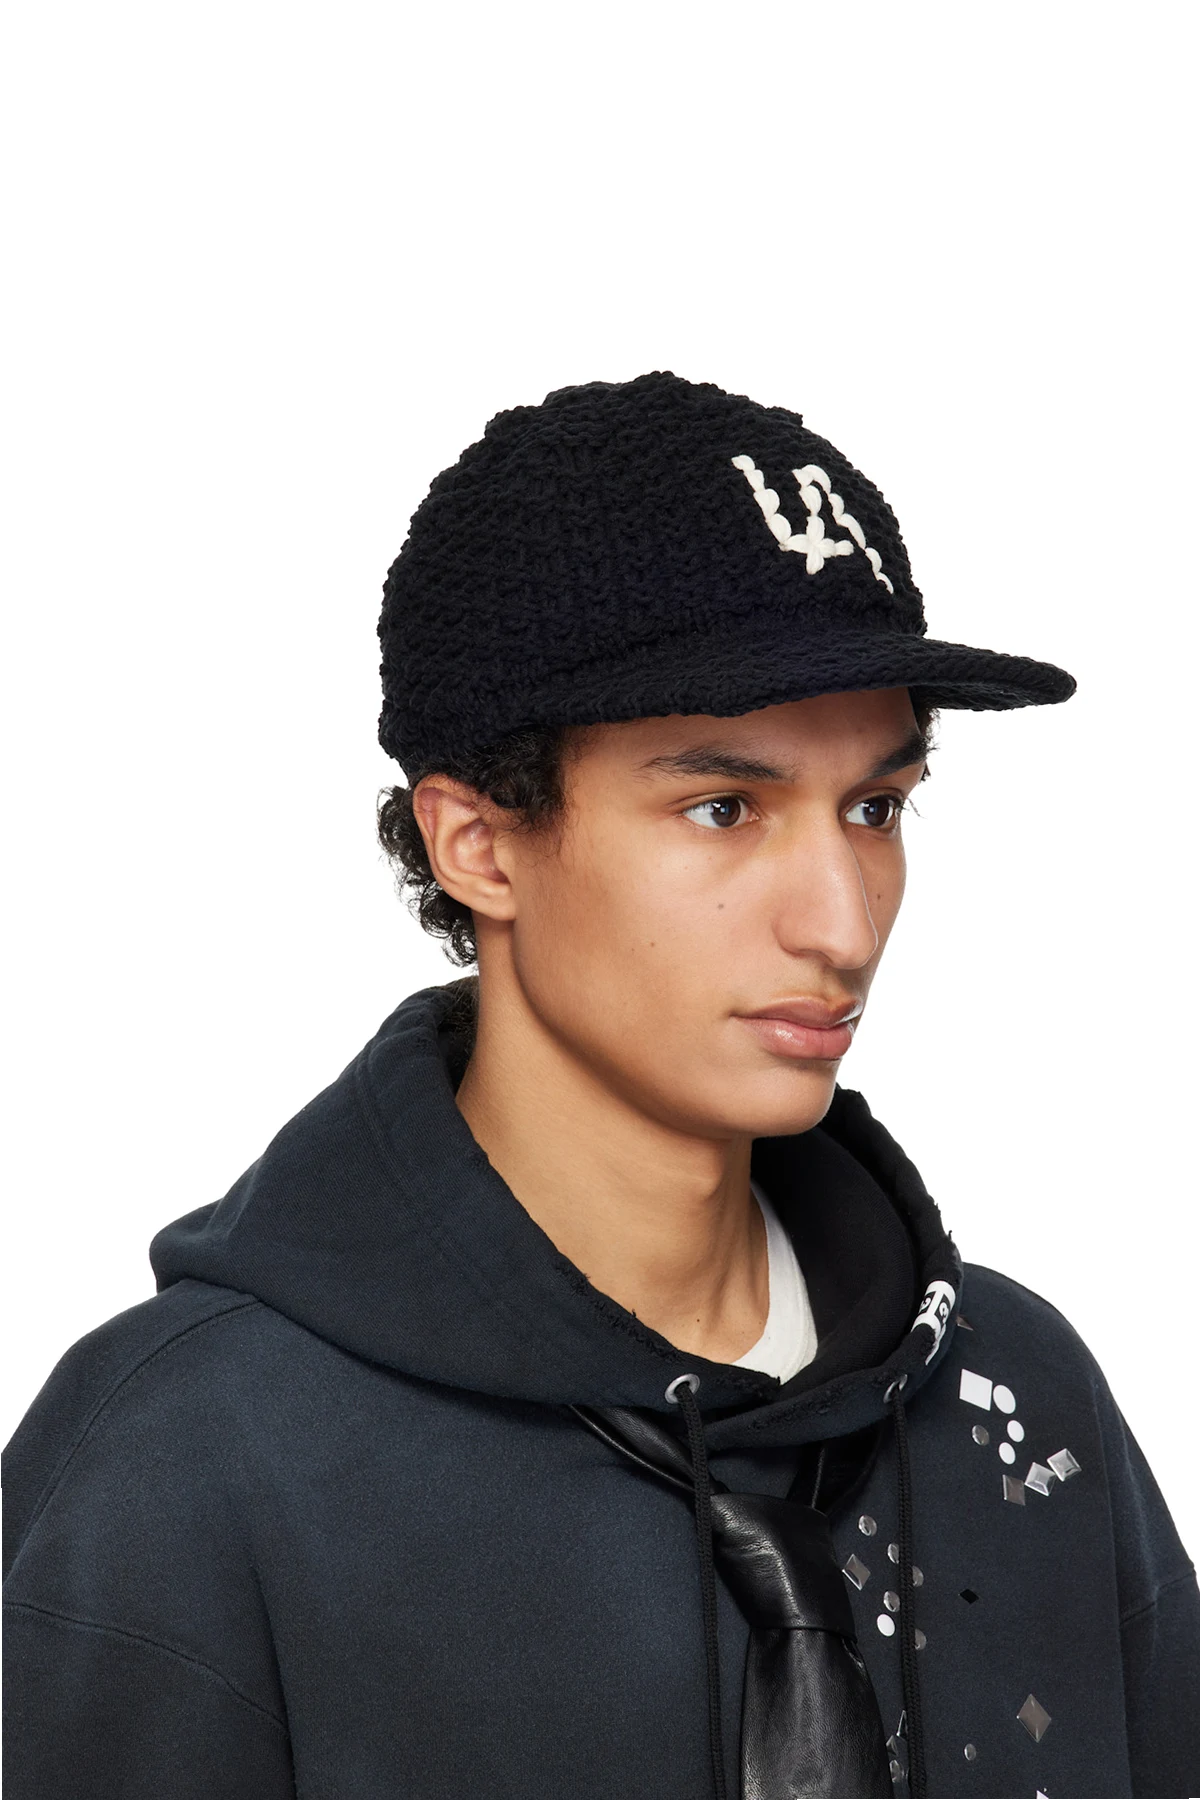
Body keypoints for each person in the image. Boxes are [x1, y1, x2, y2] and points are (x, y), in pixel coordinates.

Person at [4, 372, 1197, 1799]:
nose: (841, 921)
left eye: (876, 807)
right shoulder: (189, 1463)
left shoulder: (1018, 1399)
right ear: (478, 846)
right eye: (723, 808)